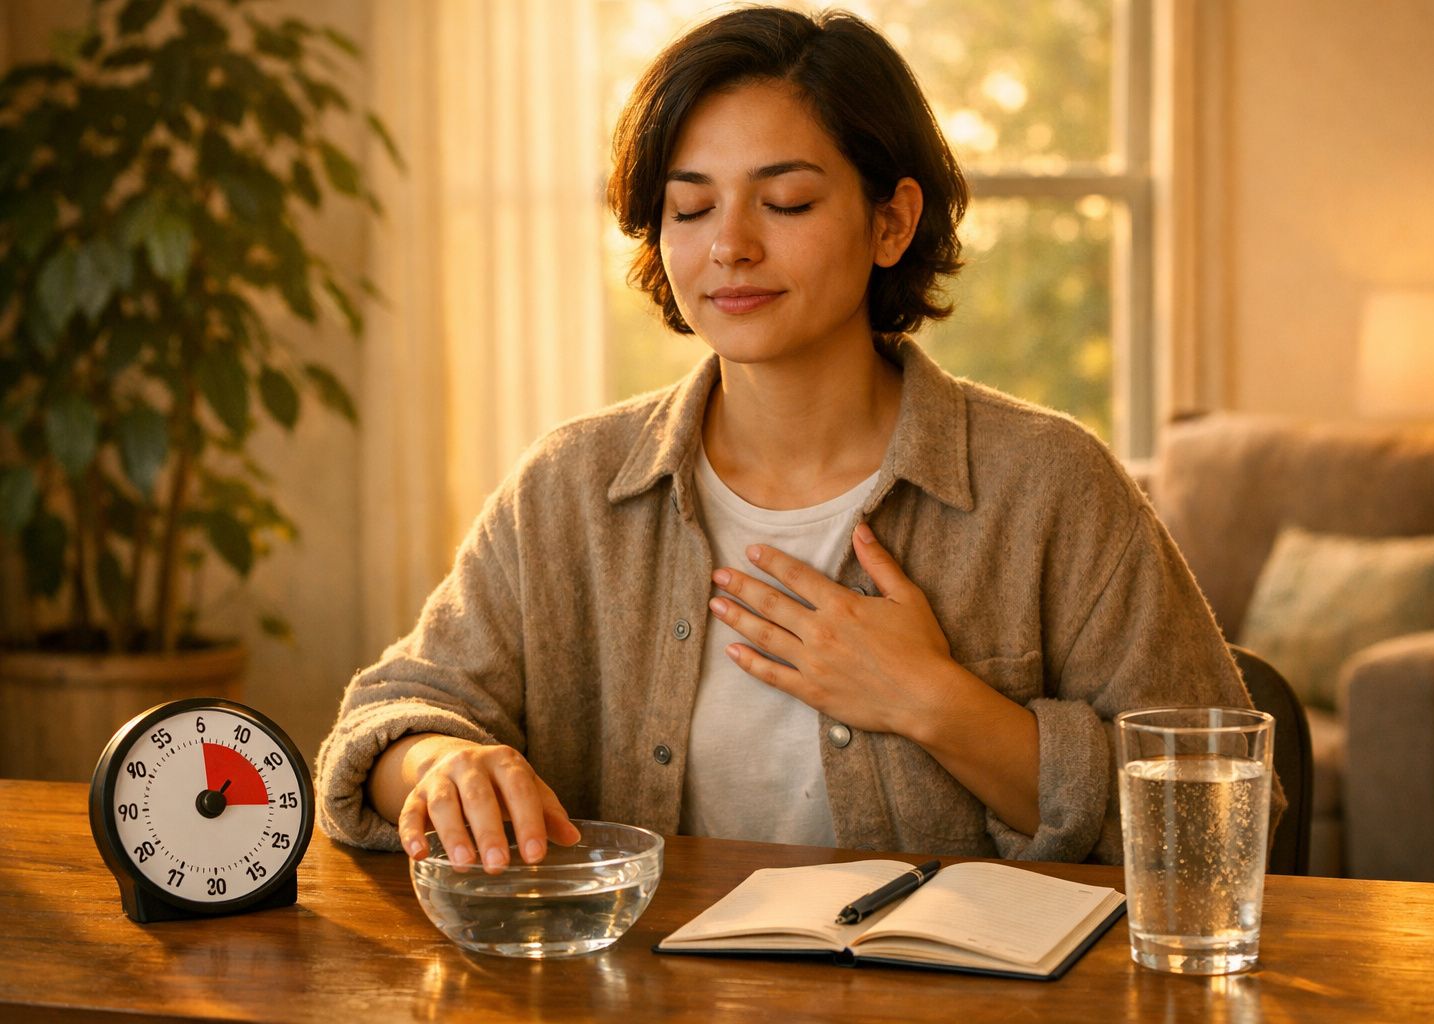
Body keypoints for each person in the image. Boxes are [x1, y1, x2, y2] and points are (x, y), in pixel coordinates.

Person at [316, 6, 1278, 872]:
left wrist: (934, 702)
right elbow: (386, 723)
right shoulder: (569, 486)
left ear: (892, 220)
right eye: (689, 208)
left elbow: (1228, 821)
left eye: (786, 202)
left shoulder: (1050, 484)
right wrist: (442, 762)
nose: (729, 244)